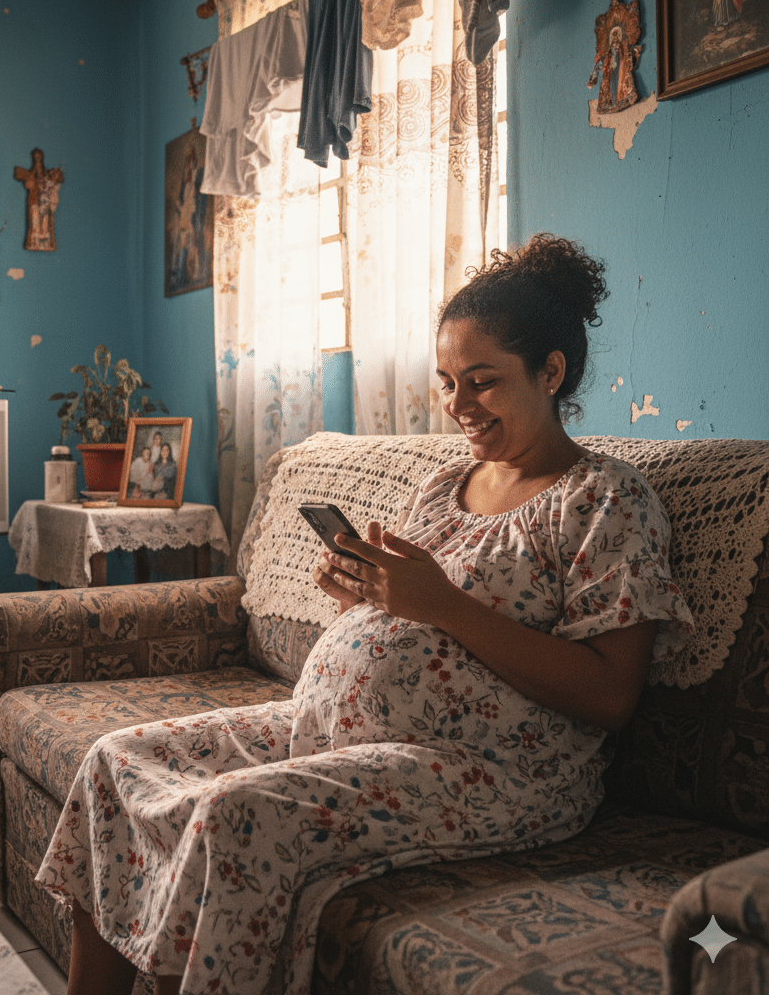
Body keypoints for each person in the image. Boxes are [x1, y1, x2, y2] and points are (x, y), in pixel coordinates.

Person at [36, 234, 694, 995]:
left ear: (550, 372)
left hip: (495, 771)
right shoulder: (446, 484)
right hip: (335, 731)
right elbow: (412, 615)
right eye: (447, 383)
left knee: (233, 814)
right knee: (116, 760)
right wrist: (365, 594)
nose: (459, 407)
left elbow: (610, 696)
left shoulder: (605, 500)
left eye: (482, 382)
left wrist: (441, 606)